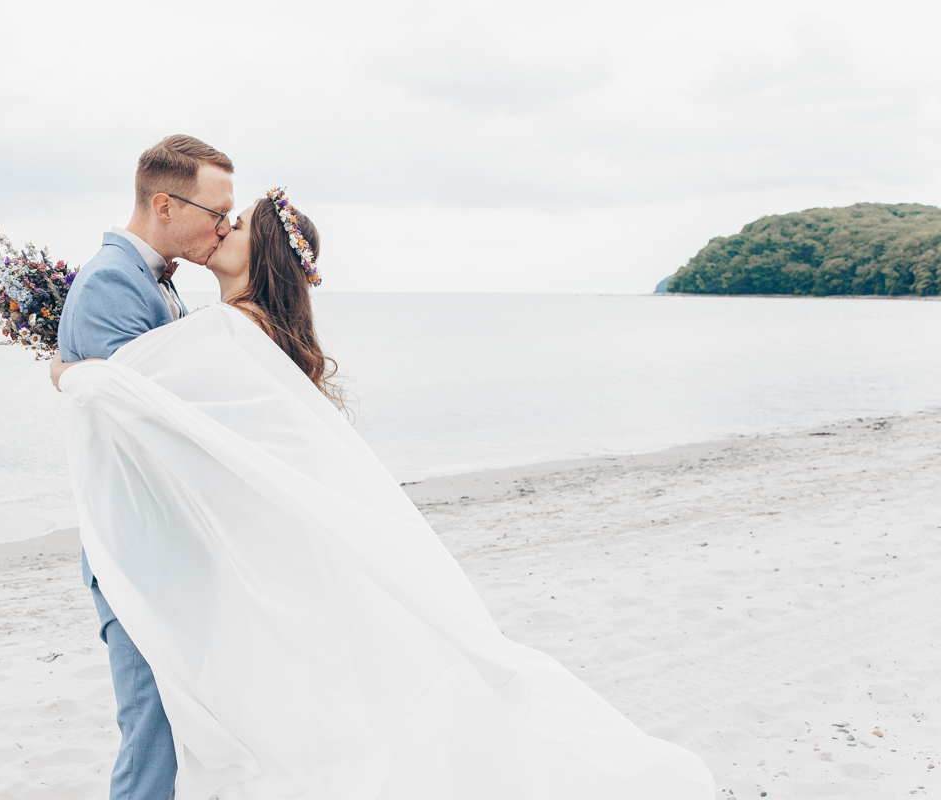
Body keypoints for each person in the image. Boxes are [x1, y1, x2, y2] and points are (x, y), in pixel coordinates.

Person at [51, 190, 714, 799]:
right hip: (269, 565)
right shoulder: (254, 335)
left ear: (269, 253)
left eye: (240, 223)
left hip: (255, 573)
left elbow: (130, 392)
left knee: (249, 734)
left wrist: (63, 368)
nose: (224, 227)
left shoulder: (230, 332)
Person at [56, 133, 235, 800]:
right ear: (165, 203)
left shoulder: (152, 281)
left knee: (183, 726)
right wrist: (71, 374)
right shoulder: (110, 282)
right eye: (215, 211)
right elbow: (148, 422)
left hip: (167, 546)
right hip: (134, 553)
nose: (225, 225)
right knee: (153, 735)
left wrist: (66, 370)